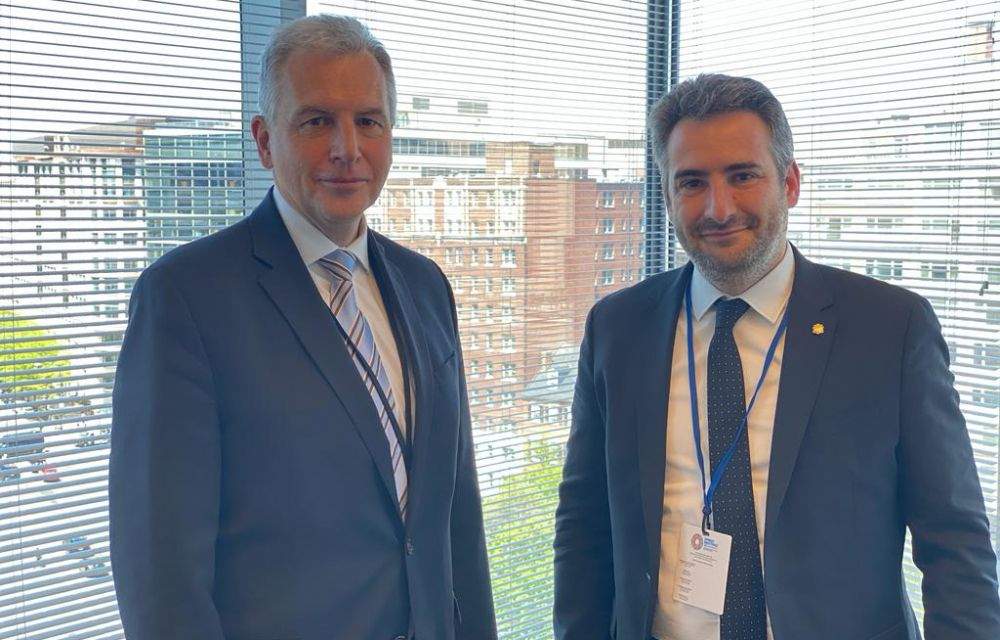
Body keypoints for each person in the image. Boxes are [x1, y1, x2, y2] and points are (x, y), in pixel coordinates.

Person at [553, 73, 1000, 640]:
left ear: (789, 182)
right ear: (667, 196)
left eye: (742, 176)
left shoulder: (889, 327)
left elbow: (954, 539)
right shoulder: (618, 329)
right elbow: (584, 527)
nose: (718, 208)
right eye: (691, 182)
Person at [110, 14, 496, 640]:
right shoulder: (185, 297)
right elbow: (161, 571)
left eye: (368, 121)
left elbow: (457, 516)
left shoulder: (425, 286)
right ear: (265, 142)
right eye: (317, 121)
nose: (348, 148)